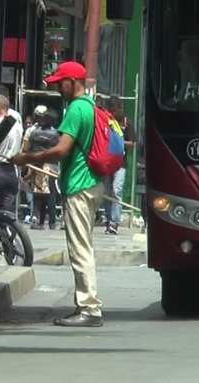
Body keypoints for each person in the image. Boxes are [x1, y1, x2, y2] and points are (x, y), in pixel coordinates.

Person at [12, 61, 105, 327]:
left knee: (80, 250)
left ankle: (89, 308)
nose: (57, 87)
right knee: (84, 246)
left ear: (74, 82)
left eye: (60, 82)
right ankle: (88, 304)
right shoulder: (90, 106)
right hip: (92, 183)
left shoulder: (76, 109)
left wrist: (30, 157)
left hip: (79, 185)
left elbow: (62, 149)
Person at [23, 107, 61, 230]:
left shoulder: (34, 132)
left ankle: (38, 220)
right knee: (50, 194)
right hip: (52, 165)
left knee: (37, 193)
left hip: (38, 164)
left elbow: (29, 149)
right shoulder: (55, 133)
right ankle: (52, 221)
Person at [103, 96, 136, 235]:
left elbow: (133, 143)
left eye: (115, 110)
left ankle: (114, 222)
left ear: (120, 109)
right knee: (106, 192)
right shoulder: (107, 121)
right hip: (107, 161)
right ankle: (108, 219)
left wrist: (117, 142)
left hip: (120, 163)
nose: (113, 114)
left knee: (117, 190)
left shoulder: (127, 123)